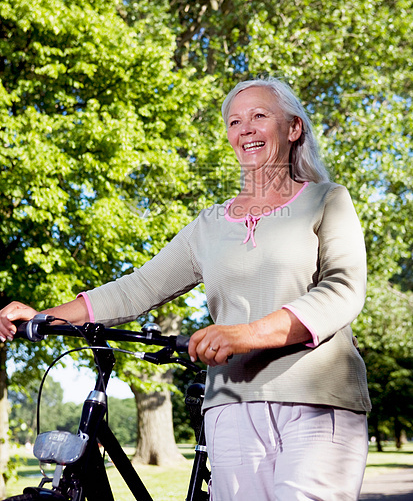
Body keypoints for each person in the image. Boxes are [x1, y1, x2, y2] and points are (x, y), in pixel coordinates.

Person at [0, 77, 371, 500]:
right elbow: (137, 288)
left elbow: (342, 290)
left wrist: (242, 335)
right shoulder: (208, 225)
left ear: (293, 129)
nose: (244, 128)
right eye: (234, 121)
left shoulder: (328, 200)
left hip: (319, 402)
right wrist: (45, 315)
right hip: (230, 408)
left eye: (259, 116)